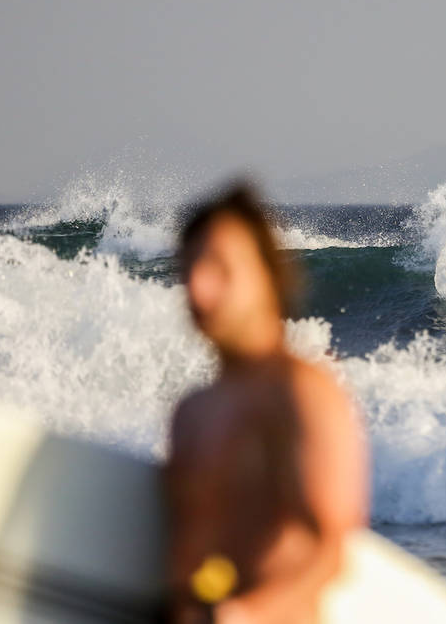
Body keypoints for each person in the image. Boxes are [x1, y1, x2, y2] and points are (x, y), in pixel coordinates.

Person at [165, 184, 368, 624]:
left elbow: (331, 550)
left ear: (267, 275)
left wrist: (247, 614)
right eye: (189, 268)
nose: (199, 288)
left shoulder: (301, 391)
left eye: (220, 267)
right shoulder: (192, 412)